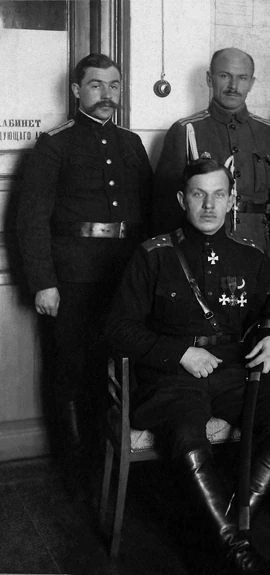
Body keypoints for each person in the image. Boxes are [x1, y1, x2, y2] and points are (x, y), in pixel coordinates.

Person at [104, 159, 270, 575]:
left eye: (218, 195)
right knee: (186, 433)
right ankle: (235, 547)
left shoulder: (252, 256)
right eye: (198, 194)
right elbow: (118, 328)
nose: (209, 205)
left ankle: (224, 531)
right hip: (171, 374)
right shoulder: (153, 255)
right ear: (182, 199)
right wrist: (179, 353)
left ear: (231, 200)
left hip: (234, 369)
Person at [16, 53, 152, 479]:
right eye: (96, 85)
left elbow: (151, 213)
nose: (107, 94)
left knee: (120, 366)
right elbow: (31, 218)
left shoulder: (131, 143)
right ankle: (75, 468)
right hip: (72, 277)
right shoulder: (54, 144)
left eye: (114, 85)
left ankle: (111, 462)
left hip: (125, 275)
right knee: (71, 370)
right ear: (77, 90)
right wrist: (43, 282)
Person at [153, 47, 270, 255]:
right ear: (209, 79)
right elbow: (165, 208)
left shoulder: (268, 132)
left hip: (256, 245)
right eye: (224, 76)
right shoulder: (185, 130)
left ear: (251, 83)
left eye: (242, 78)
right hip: (199, 246)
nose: (233, 86)